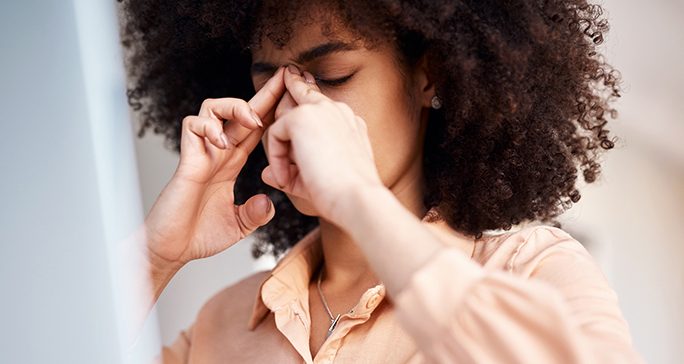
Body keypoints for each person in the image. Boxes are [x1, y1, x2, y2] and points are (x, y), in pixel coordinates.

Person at [118, 0, 644, 362]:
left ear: (428, 76)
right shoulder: (221, 324)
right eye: (268, 85)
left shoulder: (531, 268)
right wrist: (156, 257)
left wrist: (357, 196)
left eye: (333, 77)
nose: (295, 111)